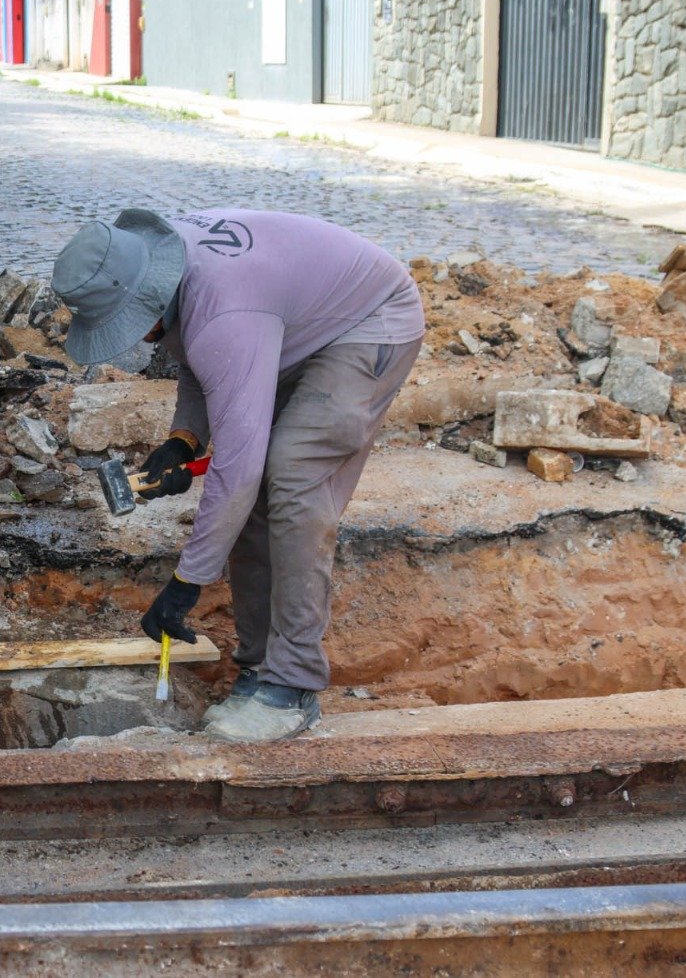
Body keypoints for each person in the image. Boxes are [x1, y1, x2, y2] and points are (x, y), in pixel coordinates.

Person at [51, 209, 424, 742]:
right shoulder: (164, 267)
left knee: (291, 474)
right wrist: (184, 439)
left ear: (148, 295)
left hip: (369, 321)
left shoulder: (224, 308)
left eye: (135, 322)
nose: (140, 335)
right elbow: (196, 355)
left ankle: (291, 685)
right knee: (251, 491)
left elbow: (238, 466)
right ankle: (258, 667)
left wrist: (187, 582)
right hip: (284, 320)